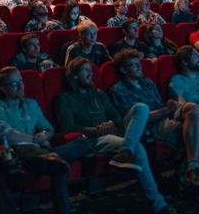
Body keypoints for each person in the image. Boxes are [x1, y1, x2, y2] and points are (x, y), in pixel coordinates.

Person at [55, 57, 177, 214]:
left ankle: (125, 152)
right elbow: (68, 127)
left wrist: (111, 123)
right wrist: (96, 130)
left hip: (115, 130)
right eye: (85, 70)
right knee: (138, 147)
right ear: (74, 75)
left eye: (91, 70)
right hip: (94, 138)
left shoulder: (98, 93)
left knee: (141, 107)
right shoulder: (64, 99)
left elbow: (118, 117)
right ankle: (159, 204)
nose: (91, 73)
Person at [110, 48, 199, 200]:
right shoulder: (119, 89)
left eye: (139, 64)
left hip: (164, 116)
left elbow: (160, 106)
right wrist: (166, 110)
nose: (139, 67)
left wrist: (169, 106)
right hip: (150, 125)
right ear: (123, 69)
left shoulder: (147, 82)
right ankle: (195, 174)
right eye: (134, 65)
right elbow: (137, 120)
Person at [0, 66, 91, 214]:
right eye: (14, 83)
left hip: (43, 150)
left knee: (83, 141)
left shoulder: (31, 104)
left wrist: (44, 135)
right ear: (3, 89)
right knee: (55, 164)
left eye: (21, 81)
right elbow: (6, 135)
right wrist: (35, 139)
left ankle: (52, 159)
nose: (21, 85)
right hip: (20, 151)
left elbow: (48, 129)